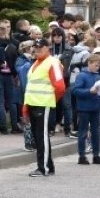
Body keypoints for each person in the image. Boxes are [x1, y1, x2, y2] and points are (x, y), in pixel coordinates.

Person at [23, 38, 66, 177]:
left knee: (41, 137)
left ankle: (44, 168)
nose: (38, 49)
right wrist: (25, 107)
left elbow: (60, 87)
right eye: (36, 47)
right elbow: (30, 86)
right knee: (39, 137)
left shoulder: (52, 62)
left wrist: (51, 100)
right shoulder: (36, 63)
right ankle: (48, 165)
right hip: (34, 103)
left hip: (43, 104)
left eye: (41, 47)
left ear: (48, 48)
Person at [72, 54, 100, 164]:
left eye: (98, 66)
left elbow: (99, 91)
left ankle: (96, 154)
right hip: (84, 108)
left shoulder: (97, 76)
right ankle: (82, 155)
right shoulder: (81, 76)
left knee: (96, 132)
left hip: (95, 107)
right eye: (95, 65)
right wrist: (89, 91)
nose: (97, 68)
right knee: (83, 132)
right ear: (89, 63)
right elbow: (76, 91)